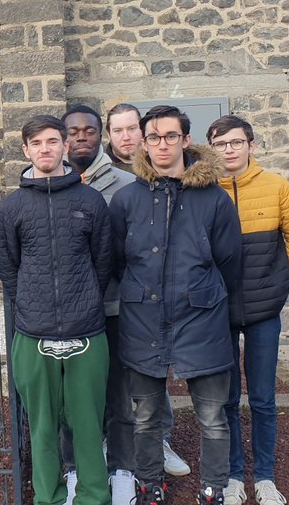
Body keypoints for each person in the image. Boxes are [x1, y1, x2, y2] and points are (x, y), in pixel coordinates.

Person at [110, 105, 242, 505]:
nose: (162, 144)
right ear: (144, 143)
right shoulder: (127, 200)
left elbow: (229, 261)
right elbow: (117, 260)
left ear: (186, 140)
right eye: (153, 137)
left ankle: (213, 487)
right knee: (145, 417)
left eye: (170, 136)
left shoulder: (214, 199)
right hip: (143, 320)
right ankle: (149, 484)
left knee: (212, 417)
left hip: (201, 319)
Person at [0, 115, 114, 505]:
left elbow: (103, 261)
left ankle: (94, 496)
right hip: (33, 332)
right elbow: (8, 266)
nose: (45, 149)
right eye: (36, 143)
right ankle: (48, 497)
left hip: (86, 331)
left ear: (64, 145)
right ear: (26, 150)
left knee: (87, 423)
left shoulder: (90, 201)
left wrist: (84, 301)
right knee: (42, 427)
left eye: (51, 141)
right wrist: (30, 302)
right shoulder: (13, 207)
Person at [207, 115, 289, 505]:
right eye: (221, 143)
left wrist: (277, 280)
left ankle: (265, 476)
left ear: (251, 145)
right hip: (218, 313)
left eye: (236, 142)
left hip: (264, 310)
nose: (229, 150)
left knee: (262, 397)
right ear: (212, 148)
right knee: (225, 398)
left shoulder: (277, 187)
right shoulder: (205, 190)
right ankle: (230, 476)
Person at [104, 102, 190, 478]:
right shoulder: (99, 176)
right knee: (116, 378)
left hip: (155, 297)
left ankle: (160, 440)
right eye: (117, 130)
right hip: (117, 293)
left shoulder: (163, 173)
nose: (125, 136)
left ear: (143, 133)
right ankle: (117, 442)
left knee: (155, 375)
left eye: (131, 129)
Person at [62, 104, 136, 505]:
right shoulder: (50, 183)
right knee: (72, 399)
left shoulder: (125, 184)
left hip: (114, 309)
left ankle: (122, 469)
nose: (81, 138)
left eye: (89, 131)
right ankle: (76, 470)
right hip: (69, 314)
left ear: (99, 134)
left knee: (117, 395)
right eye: (73, 131)